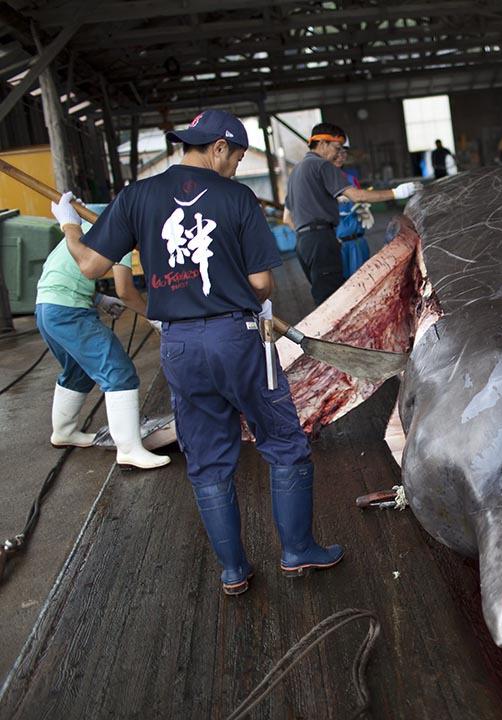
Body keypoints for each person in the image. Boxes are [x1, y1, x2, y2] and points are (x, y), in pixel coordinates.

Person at [53, 108, 344, 596]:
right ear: (219, 147)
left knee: (208, 460)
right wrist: (244, 302)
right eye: (237, 156)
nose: (235, 166)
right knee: (284, 443)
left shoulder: (136, 197)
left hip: (179, 345)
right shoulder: (236, 198)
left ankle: (233, 571)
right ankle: (297, 551)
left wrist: (68, 224)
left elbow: (89, 266)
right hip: (239, 337)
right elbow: (260, 282)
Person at [35, 239, 170, 469]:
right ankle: (129, 450)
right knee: (118, 371)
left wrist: (99, 299)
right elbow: (125, 290)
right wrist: (156, 318)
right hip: (69, 310)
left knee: (78, 371)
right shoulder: (124, 230)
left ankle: (64, 432)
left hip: (47, 306)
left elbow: (68, 268)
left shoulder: (91, 219)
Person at [284, 122, 417, 305]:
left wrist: (310, 234)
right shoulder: (322, 165)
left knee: (323, 295)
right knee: (332, 301)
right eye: (336, 148)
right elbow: (357, 195)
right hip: (321, 240)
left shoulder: (296, 171)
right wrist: (396, 192)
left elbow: (287, 218)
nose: (338, 154)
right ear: (322, 143)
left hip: (303, 243)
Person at [331, 144, 373, 276]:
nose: (340, 156)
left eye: (343, 153)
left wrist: (363, 210)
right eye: (337, 152)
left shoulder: (351, 179)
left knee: (363, 279)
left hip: (357, 241)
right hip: (338, 244)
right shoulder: (320, 181)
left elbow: (361, 199)